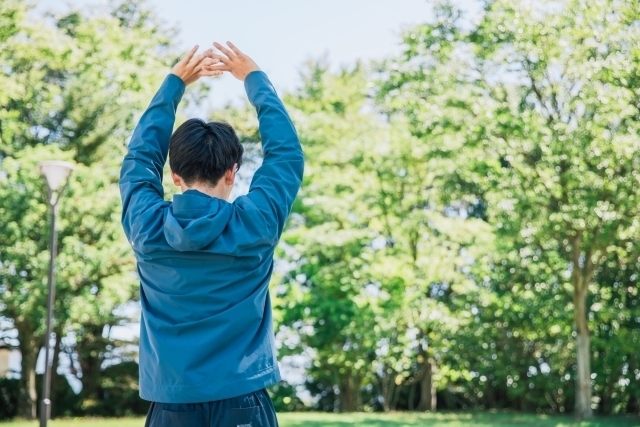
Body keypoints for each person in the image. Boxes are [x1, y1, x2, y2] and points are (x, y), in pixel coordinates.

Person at [119, 42, 304, 427]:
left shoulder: (147, 226)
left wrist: (174, 84)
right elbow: (285, 155)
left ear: (174, 175)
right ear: (232, 173)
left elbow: (139, 158)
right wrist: (253, 78)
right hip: (243, 401)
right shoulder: (254, 224)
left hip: (171, 406)